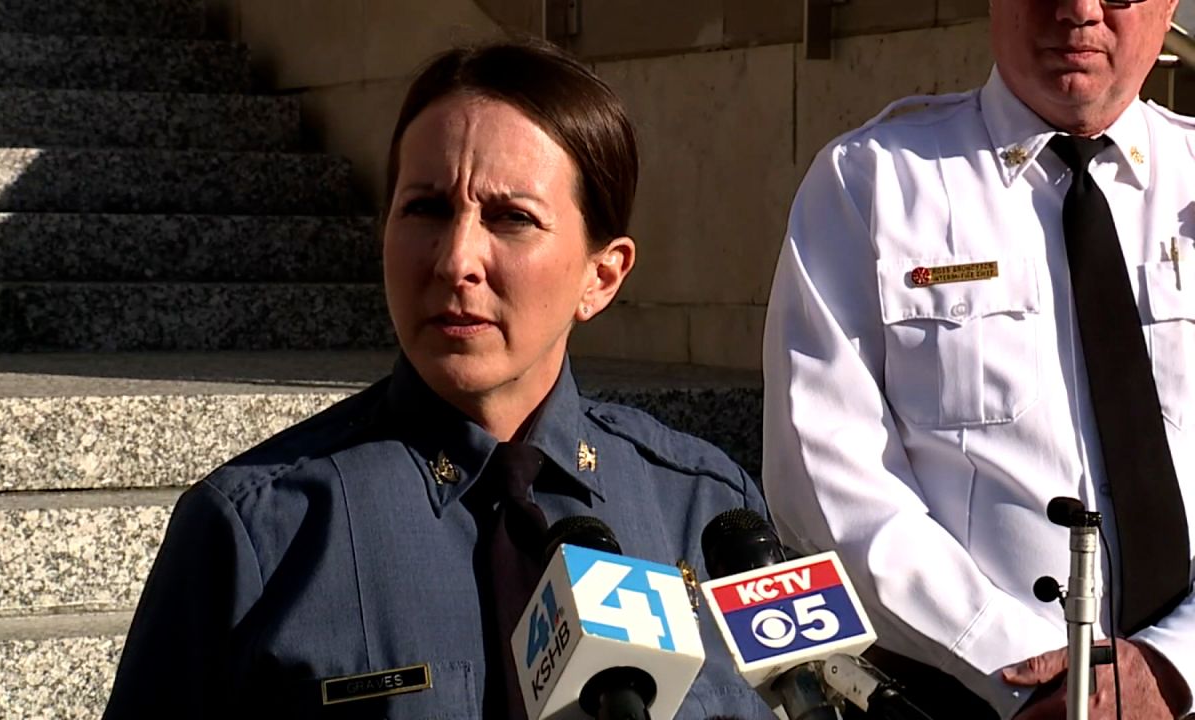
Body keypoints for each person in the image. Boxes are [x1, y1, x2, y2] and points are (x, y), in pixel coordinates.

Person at [103, 41, 773, 719]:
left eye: (512, 218)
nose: (457, 260)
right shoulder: (262, 531)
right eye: (425, 209)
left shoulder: (707, 509)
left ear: (600, 276)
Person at [762, 1, 1194, 719]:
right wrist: (1032, 674)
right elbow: (826, 481)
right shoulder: (874, 184)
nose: (1080, 11)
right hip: (960, 697)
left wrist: (1172, 663)